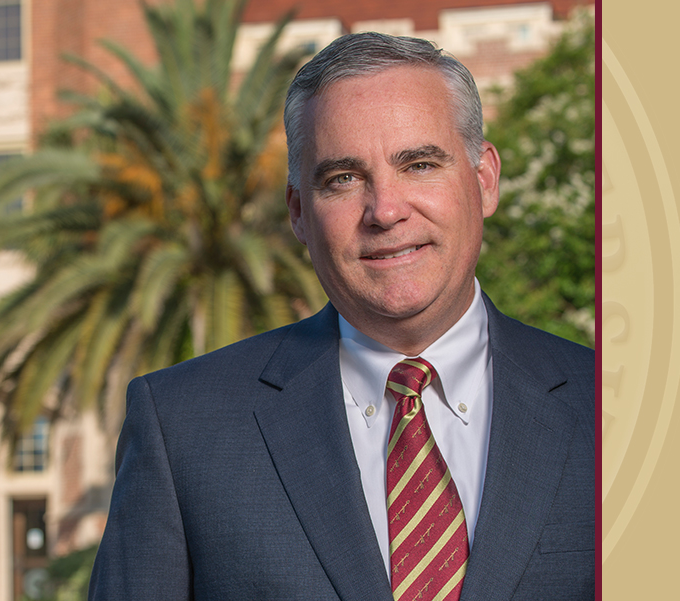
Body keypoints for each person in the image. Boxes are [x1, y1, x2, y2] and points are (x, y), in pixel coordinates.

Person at [89, 32, 594, 601]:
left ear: (484, 180)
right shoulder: (182, 431)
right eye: (343, 179)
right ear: (299, 212)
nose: (385, 210)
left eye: (420, 164)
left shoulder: (618, 411)